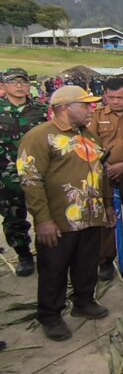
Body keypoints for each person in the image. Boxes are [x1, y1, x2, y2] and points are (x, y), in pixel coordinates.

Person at [17, 85, 112, 341]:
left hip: (91, 215)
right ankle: (50, 314)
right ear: (64, 108)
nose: (91, 110)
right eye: (85, 105)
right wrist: (43, 220)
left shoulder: (89, 136)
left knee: (87, 263)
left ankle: (83, 301)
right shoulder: (40, 137)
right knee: (54, 268)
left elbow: (101, 172)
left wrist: (107, 204)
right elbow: (30, 180)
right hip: (59, 220)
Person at [88, 77, 123, 280]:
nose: (115, 102)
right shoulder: (96, 116)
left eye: (120, 97)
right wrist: (104, 166)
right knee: (107, 216)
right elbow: (89, 144)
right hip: (104, 173)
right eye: (110, 97)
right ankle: (106, 259)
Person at [0, 70, 47, 276]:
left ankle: (46, 252)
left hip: (38, 173)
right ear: (4, 85)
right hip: (7, 176)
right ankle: (24, 255)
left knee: (45, 214)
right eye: (14, 82)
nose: (19, 86)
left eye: (23, 82)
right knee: (14, 217)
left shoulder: (42, 110)